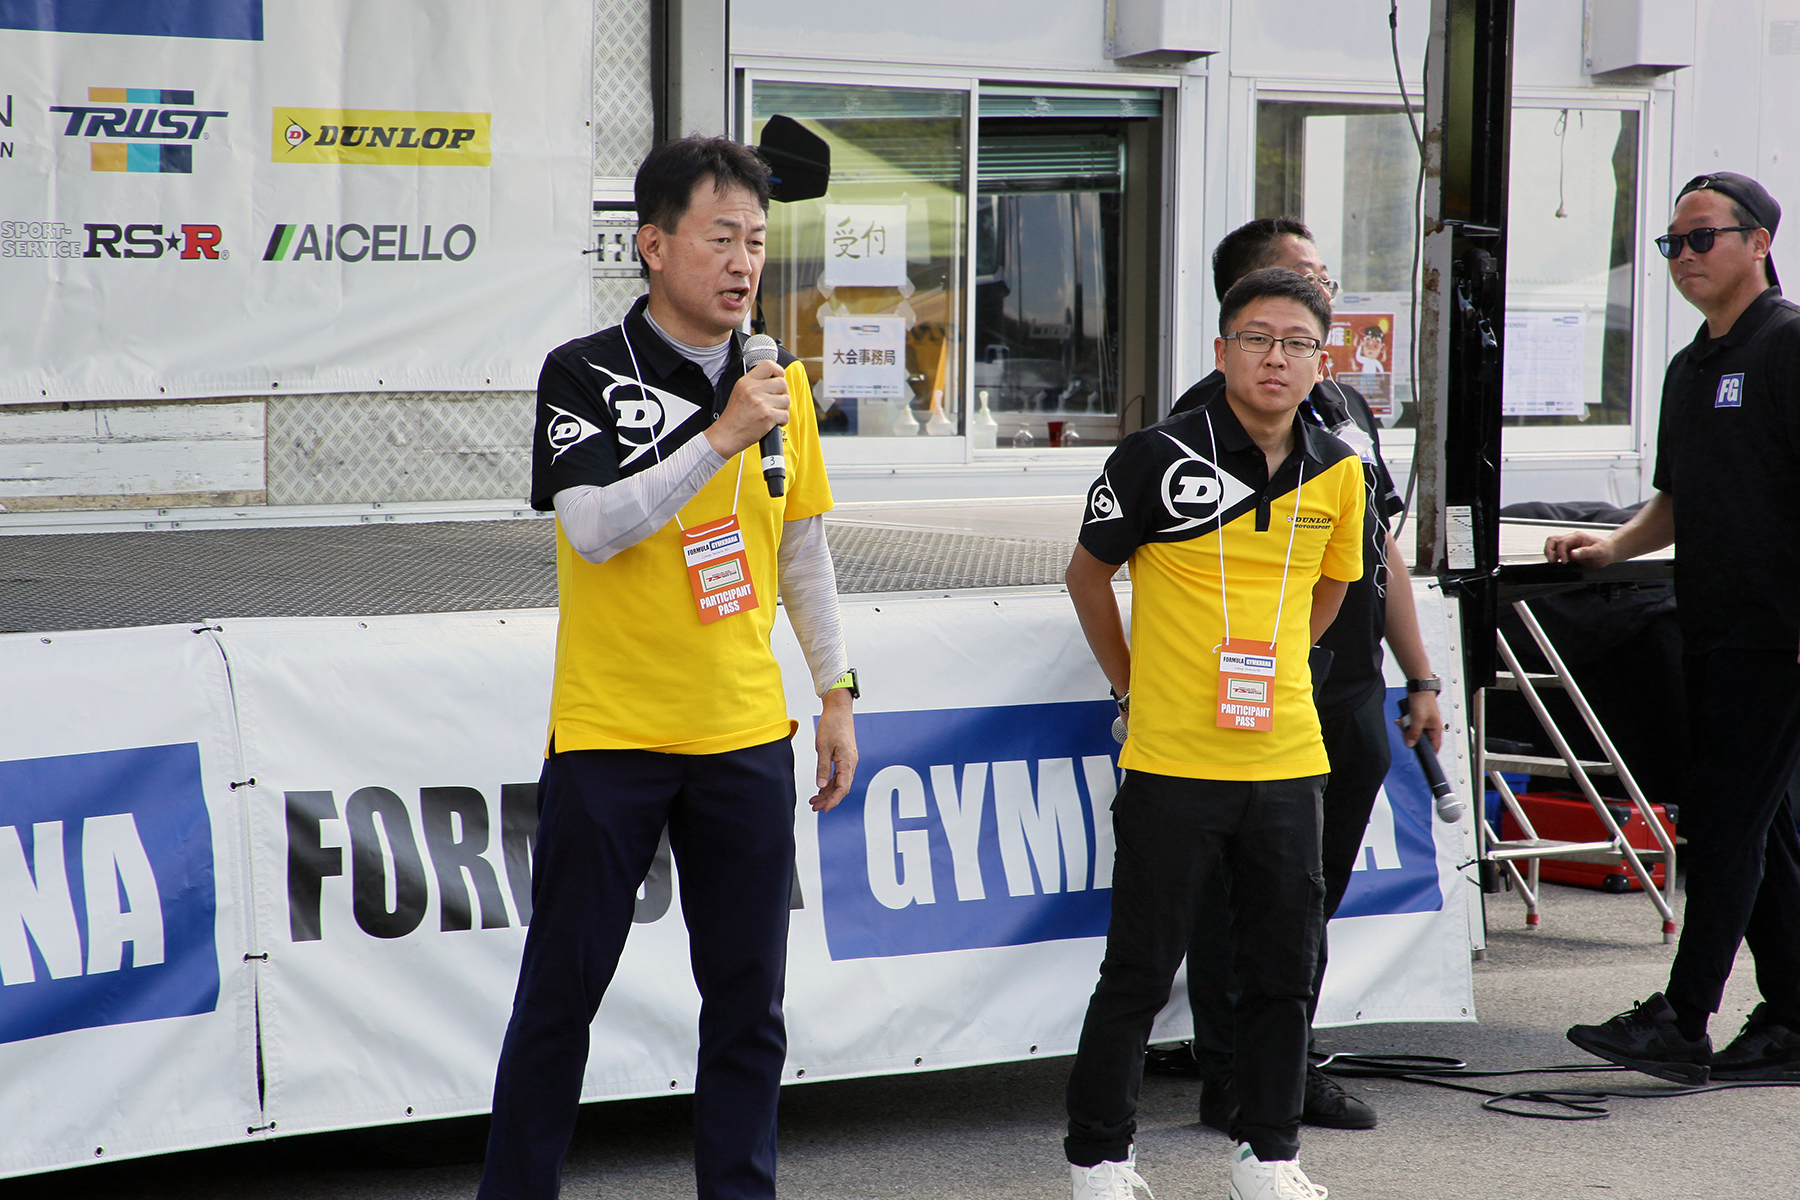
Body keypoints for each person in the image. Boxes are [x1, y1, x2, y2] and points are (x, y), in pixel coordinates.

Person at [477, 136, 859, 1200]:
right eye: (721, 237)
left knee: (748, 1007)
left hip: (743, 737)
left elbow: (801, 548)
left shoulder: (775, 381)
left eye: (757, 241)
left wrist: (836, 692)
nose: (745, 263)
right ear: (653, 245)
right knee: (561, 996)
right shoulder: (585, 371)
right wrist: (720, 435)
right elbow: (594, 527)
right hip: (612, 740)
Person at [1063, 267, 1367, 1200]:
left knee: (1284, 973)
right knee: (1141, 972)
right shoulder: (1154, 456)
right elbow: (1086, 578)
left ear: (1323, 359)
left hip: (1286, 758)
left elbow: (1333, 586)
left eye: (1298, 343)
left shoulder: (1338, 466)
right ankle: (1101, 1160)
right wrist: (1134, 684)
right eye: (1258, 338)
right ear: (1223, 349)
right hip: (1171, 758)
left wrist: (1278, 668)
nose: (1277, 358)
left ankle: (1268, 1155)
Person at [1154, 218, 1445, 1134]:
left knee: (1309, 893)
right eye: (1297, 280)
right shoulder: (1195, 430)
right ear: (1241, 312)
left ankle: (1286, 1062)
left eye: (1322, 283)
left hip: (1350, 687)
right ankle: (1234, 1077)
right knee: (1236, 898)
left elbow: (1379, 552)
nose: (1321, 291)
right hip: (1246, 699)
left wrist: (1422, 675)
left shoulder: (1346, 410)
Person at [1550, 171, 1800, 1084]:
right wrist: (1611, 547)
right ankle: (1793, 1021)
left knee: (1726, 824)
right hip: (1712, 621)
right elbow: (1679, 498)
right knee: (1768, 829)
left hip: (1779, 634)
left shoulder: (1788, 345)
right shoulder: (1691, 365)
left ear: (1759, 243)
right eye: (1671, 244)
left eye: (1703, 238)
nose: (1684, 256)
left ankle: (1684, 1018)